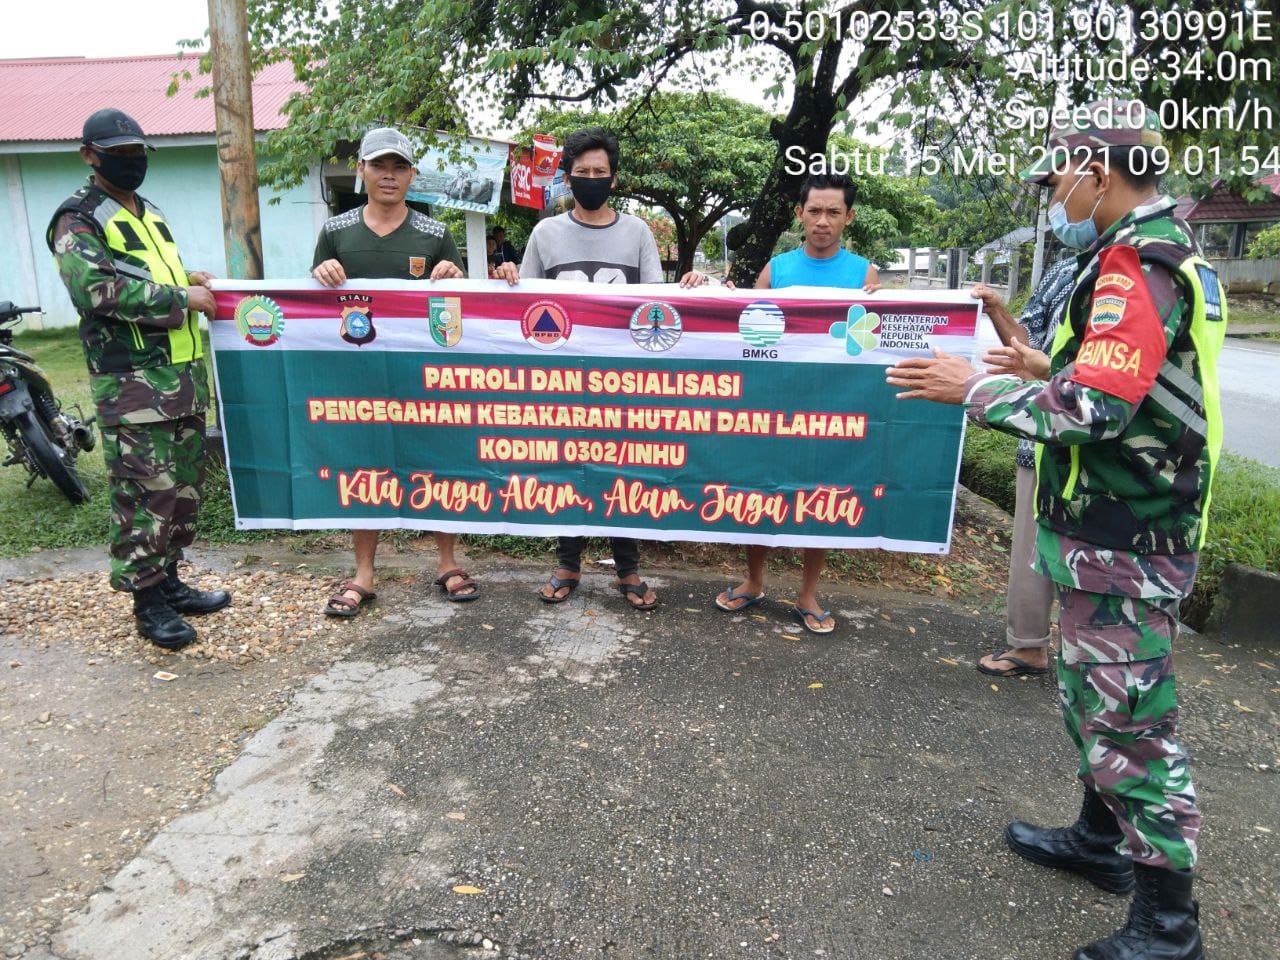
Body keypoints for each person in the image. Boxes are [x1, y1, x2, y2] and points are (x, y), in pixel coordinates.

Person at [886, 100, 1223, 960]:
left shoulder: (1135, 264)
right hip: (1116, 524)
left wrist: (972, 388)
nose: (1053, 196)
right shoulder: (1160, 254)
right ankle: (1098, 843)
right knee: (1091, 702)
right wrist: (1041, 362)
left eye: (1056, 180)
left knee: (1131, 728)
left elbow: (1097, 407)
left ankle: (1170, 928)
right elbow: (1134, 382)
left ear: (1097, 174)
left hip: (1130, 534)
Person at [494, 126, 712, 609]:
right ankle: (567, 564)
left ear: (614, 178)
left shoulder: (636, 232)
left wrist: (694, 286)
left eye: (600, 172)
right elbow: (523, 305)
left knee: (623, 468)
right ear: (568, 177)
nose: (591, 178)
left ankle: (628, 569)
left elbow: (658, 303)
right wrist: (508, 278)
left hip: (624, 379)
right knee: (571, 468)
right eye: (582, 172)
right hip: (563, 379)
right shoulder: (545, 233)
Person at [47, 108, 231, 650]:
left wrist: (188, 276)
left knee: (182, 490)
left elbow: (147, 274)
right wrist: (182, 298)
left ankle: (169, 581)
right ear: (89, 155)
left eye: (137, 153)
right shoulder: (77, 218)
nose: (130, 162)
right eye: (118, 153)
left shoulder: (148, 212)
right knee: (144, 492)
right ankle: (147, 601)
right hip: (132, 385)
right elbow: (96, 291)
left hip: (181, 378)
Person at [311, 127, 475, 615]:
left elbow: (460, 312)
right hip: (358, 376)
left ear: (412, 176)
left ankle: (447, 562)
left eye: (399, 167)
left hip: (425, 375)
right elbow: (314, 306)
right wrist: (320, 277)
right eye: (379, 165)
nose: (389, 175)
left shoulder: (434, 233)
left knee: (438, 462)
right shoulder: (336, 232)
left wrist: (455, 277)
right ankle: (364, 572)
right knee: (366, 466)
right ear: (361, 170)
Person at [714, 172, 880, 635]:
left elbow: (876, 341)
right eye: (814, 211)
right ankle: (753, 581)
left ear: (849, 216)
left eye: (833, 212)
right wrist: (727, 302)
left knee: (819, 499)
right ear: (799, 214)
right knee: (759, 490)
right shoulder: (777, 270)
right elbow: (747, 329)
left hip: (832, 408)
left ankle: (807, 595)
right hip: (772, 404)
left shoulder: (865, 275)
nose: (822, 221)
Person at [971, 257, 1076, 677]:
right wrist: (996, 308)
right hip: (1042, 439)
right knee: (1031, 550)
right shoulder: (1065, 271)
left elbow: (1108, 379)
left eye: (1057, 186)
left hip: (1105, 449)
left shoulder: (1140, 272)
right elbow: (1025, 344)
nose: (1056, 200)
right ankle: (1029, 645)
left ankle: (1095, 649)